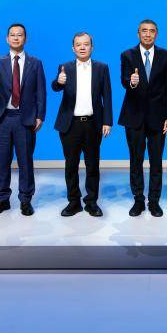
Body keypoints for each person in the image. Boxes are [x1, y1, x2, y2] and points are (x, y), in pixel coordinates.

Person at [0, 23, 46, 216]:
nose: (16, 38)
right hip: (3, 118)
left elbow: (41, 92)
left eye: (19, 35)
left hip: (24, 119)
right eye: (12, 35)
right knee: (3, 161)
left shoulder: (36, 63)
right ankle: (2, 200)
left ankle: (25, 200)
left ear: (25, 38)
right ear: (7, 39)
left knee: (25, 161)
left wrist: (40, 116)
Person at [117, 19, 167, 217]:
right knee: (136, 160)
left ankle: (154, 201)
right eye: (144, 31)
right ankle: (138, 200)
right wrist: (131, 82)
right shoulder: (127, 55)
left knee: (156, 161)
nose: (148, 34)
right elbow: (124, 80)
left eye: (151, 31)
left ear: (156, 34)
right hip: (134, 116)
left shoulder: (166, 56)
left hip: (159, 118)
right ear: (138, 34)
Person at [51, 32, 113, 217]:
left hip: (93, 124)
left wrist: (107, 121)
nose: (82, 47)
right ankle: (73, 202)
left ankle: (91, 202)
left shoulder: (102, 67)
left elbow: (107, 96)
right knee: (71, 165)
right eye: (78, 44)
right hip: (70, 125)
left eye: (86, 44)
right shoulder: (65, 67)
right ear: (73, 48)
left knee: (92, 165)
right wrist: (58, 81)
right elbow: (55, 87)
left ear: (92, 47)